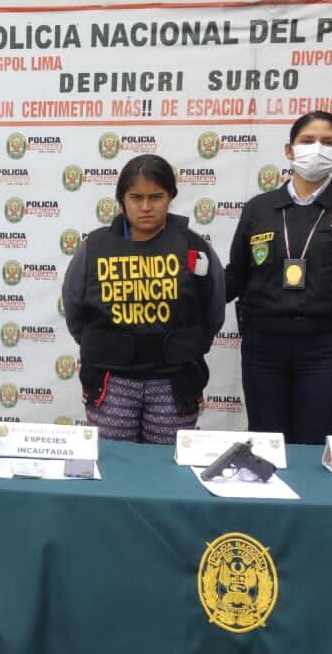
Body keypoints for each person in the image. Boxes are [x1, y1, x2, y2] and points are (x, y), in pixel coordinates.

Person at [226, 110, 332, 445]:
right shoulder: (259, 209)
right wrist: (189, 290)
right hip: (263, 349)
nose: (316, 149)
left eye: (327, 142)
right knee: (265, 447)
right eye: (307, 141)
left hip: (325, 349)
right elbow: (235, 277)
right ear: (289, 150)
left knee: (314, 448)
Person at [62, 154, 225, 444]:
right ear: (121, 199)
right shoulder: (94, 248)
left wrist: (184, 347)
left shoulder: (194, 247)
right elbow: (75, 312)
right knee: (113, 466)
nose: (146, 206)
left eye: (156, 197)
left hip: (174, 382)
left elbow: (212, 313)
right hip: (112, 382)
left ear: (171, 197)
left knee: (166, 470)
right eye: (136, 197)